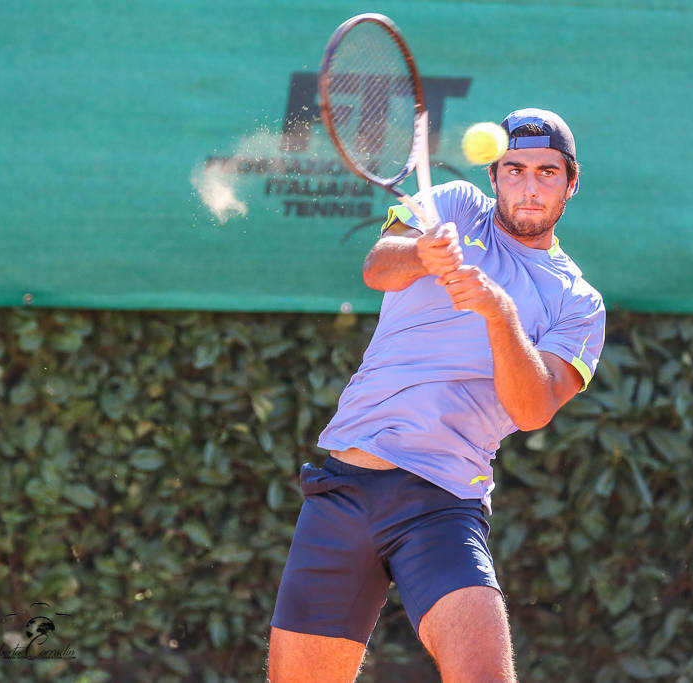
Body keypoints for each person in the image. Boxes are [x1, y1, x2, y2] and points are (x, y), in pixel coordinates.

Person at [267, 108, 606, 682]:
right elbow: (379, 267)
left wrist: (499, 313)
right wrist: (423, 254)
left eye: (547, 172)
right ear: (493, 175)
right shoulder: (450, 205)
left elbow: (532, 409)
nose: (530, 185)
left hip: (440, 504)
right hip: (343, 489)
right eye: (515, 169)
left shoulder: (579, 302)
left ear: (570, 183)